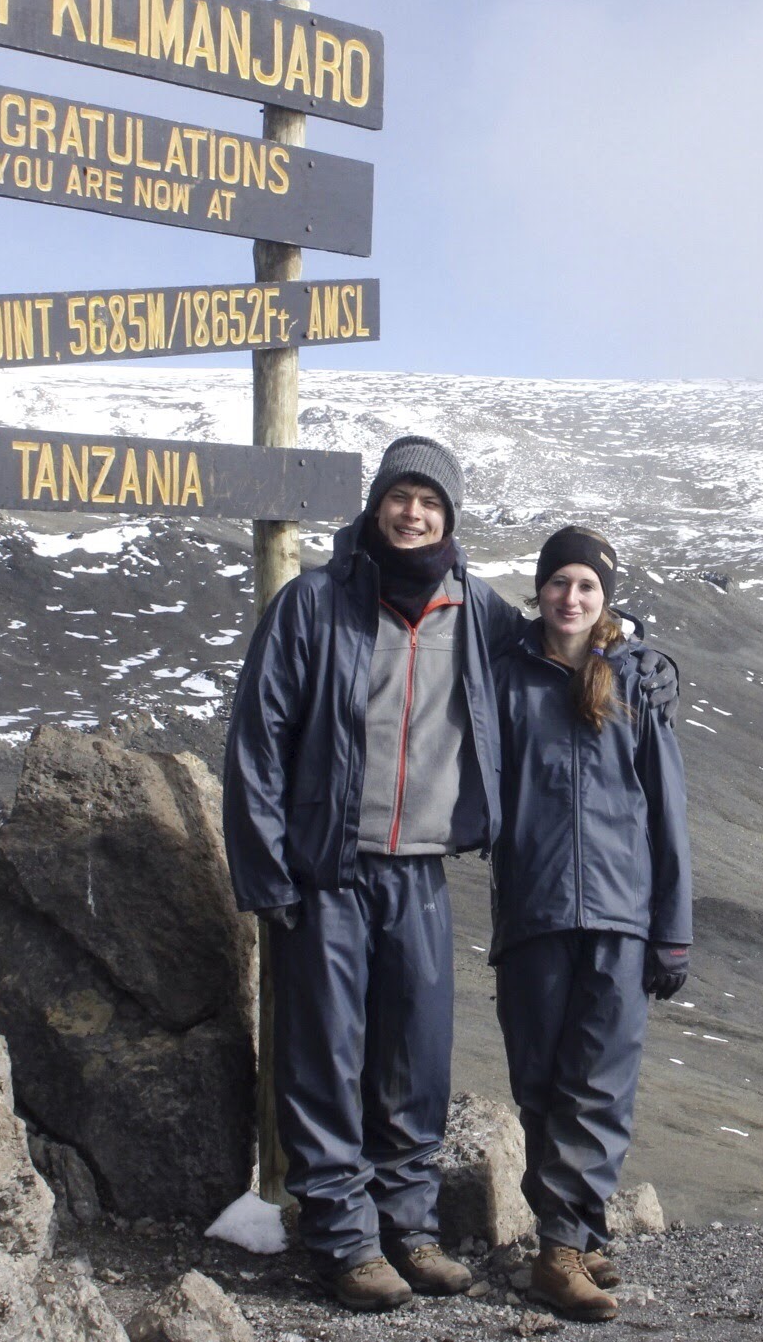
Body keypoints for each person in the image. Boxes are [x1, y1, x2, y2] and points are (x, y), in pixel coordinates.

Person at [220, 435, 511, 1312]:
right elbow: (258, 740)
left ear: (449, 517)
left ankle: (408, 1228)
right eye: (400, 497)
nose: (413, 514)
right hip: (327, 871)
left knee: (414, 1058)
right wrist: (268, 873)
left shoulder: (479, 611)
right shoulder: (315, 603)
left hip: (420, 870)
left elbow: (559, 653)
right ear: (377, 504)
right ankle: (344, 1241)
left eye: (430, 502)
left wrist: (635, 655)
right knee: (325, 1056)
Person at [490, 525, 692, 1324]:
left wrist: (672, 929)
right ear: (539, 589)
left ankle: (559, 1251)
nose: (569, 598)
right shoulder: (505, 676)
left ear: (605, 598)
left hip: (620, 913)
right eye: (558, 582)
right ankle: (573, 1231)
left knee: (599, 1084)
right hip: (534, 910)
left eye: (586, 587)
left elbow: (668, 814)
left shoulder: (636, 682)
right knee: (540, 1083)